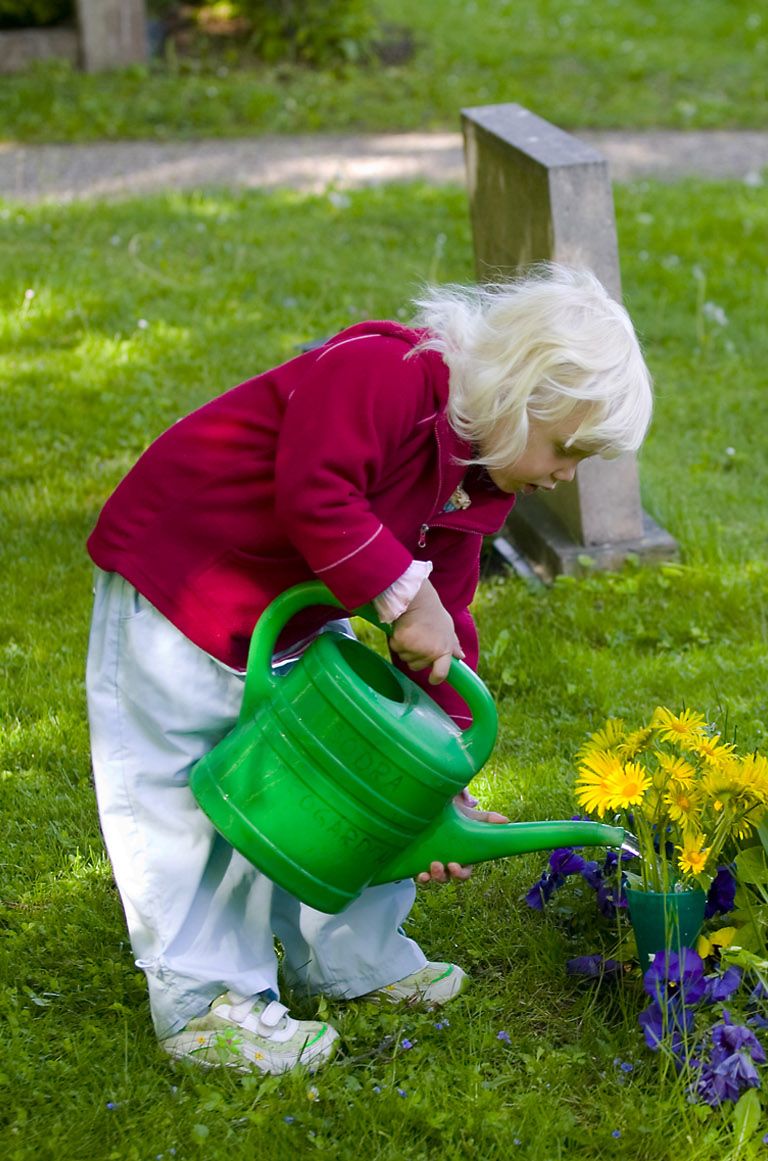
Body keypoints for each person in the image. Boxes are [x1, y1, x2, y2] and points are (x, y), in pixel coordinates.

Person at [82, 263, 653, 1074]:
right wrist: (399, 594)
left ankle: (349, 955)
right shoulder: (382, 374)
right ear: (517, 391)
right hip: (185, 582)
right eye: (565, 448)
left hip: (286, 614)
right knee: (188, 794)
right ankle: (204, 999)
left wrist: (439, 779)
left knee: (369, 772)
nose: (566, 475)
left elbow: (441, 624)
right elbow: (316, 491)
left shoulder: (476, 481)